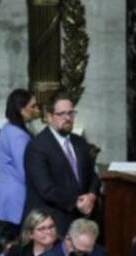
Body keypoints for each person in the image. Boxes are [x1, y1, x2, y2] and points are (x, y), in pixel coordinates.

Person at [23, 92, 100, 237]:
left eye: (71, 113)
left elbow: (93, 176)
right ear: (49, 117)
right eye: (62, 114)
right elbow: (46, 189)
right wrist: (76, 202)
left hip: (82, 221)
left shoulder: (80, 142)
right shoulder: (37, 147)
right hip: (52, 223)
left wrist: (91, 195)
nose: (67, 118)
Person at [0, 89, 39, 243]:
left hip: (8, 192)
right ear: (22, 110)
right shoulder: (18, 135)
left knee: (13, 239)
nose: (37, 110)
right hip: (17, 194)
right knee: (19, 241)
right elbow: (24, 168)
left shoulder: (9, 128)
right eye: (33, 106)